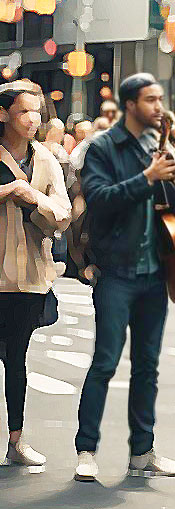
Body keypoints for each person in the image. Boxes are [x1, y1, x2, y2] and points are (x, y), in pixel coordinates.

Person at [73, 73, 175, 482]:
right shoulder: (103, 146)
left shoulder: (157, 145)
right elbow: (100, 200)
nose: (159, 106)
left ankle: (143, 451)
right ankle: (86, 449)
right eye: (151, 99)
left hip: (154, 271)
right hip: (116, 271)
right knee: (104, 362)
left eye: (160, 99)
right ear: (131, 104)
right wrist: (146, 178)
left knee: (147, 366)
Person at [0, 81, 71, 468]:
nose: (32, 119)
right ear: (3, 114)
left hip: (27, 277)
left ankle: (16, 440)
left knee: (17, 361)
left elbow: (62, 215)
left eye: (37, 112)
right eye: (24, 111)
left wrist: (32, 197)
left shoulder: (45, 159)